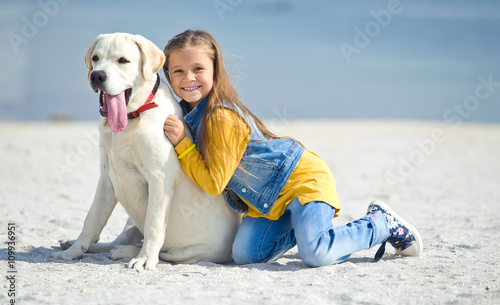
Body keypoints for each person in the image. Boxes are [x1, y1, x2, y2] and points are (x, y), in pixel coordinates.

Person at [162, 29, 423, 267]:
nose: (189, 78)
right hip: (268, 200)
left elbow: (213, 184)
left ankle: (381, 223)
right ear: (167, 76)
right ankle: (305, 229)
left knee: (317, 253)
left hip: (301, 180)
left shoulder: (221, 117)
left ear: (215, 71)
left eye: (198, 68)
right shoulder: (189, 115)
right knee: (246, 256)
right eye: (178, 71)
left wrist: (183, 146)